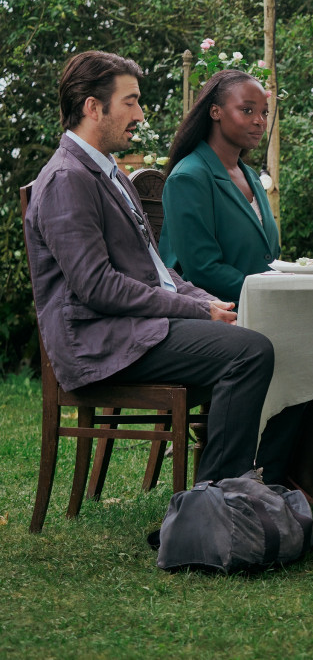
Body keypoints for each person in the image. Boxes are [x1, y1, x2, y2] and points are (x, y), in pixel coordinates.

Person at [24, 51, 287, 484]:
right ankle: (216, 501)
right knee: (249, 352)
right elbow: (97, 287)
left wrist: (207, 301)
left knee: (261, 338)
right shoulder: (68, 178)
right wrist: (196, 312)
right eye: (130, 102)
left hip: (133, 328)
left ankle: (263, 481)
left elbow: (157, 272)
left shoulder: (109, 174)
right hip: (99, 341)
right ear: (94, 107)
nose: (140, 114)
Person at [159, 69, 279, 304]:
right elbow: (203, 269)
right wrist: (267, 294)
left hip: (258, 307)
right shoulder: (188, 178)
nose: (259, 120)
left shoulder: (252, 177)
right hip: (214, 313)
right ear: (215, 112)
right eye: (247, 110)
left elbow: (266, 257)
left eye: (264, 112)